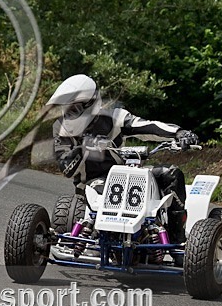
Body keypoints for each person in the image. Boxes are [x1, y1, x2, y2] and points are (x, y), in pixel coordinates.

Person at [48, 74, 199, 241]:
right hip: (92, 182)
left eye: (73, 109)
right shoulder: (61, 129)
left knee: (172, 173)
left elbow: (147, 126)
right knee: (105, 190)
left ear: (90, 104)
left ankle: (176, 237)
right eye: (66, 109)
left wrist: (178, 132)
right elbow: (66, 168)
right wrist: (84, 148)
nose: (67, 114)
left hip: (127, 174)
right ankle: (107, 235)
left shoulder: (115, 117)